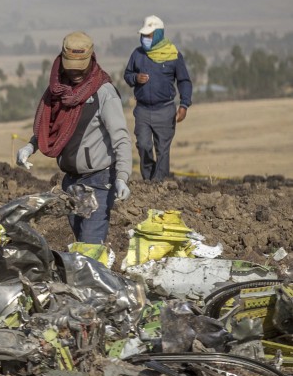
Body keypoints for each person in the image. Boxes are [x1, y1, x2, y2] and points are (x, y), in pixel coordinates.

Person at [16, 32, 132, 245]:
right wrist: (30, 147)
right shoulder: (58, 92)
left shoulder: (103, 93)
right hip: (71, 182)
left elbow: (121, 139)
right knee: (81, 241)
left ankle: (92, 275)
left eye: (81, 67)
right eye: (71, 67)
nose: (75, 73)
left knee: (89, 246)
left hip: (98, 181)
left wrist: (122, 177)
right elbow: (48, 128)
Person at [123, 15, 192, 182]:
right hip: (143, 110)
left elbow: (184, 81)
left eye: (149, 35)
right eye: (144, 35)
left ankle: (159, 184)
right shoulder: (137, 54)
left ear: (159, 34)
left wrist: (184, 105)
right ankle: (148, 180)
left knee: (162, 149)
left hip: (165, 109)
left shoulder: (173, 55)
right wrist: (135, 78)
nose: (145, 39)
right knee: (144, 145)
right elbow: (127, 74)